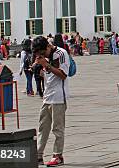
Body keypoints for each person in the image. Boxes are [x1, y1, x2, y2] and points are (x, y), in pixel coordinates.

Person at [32, 35, 70, 167]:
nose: (42, 56)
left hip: (59, 97)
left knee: (57, 128)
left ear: (48, 46)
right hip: (47, 97)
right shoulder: (44, 57)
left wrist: (46, 65)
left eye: (43, 53)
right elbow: (46, 75)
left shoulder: (61, 53)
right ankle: (38, 154)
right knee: (43, 127)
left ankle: (57, 155)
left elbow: (63, 74)